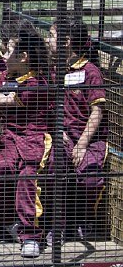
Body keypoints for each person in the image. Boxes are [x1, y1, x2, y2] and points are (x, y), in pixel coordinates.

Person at [0, 19, 52, 259]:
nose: (4, 54)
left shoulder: (36, 83)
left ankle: (31, 234)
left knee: (28, 178)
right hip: (9, 137)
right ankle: (10, 222)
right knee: (0, 169)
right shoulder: (7, 75)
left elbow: (2, 101)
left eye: (9, 51)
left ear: (24, 57)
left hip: (34, 140)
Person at [46, 18, 106, 241]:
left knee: (89, 176)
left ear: (66, 41)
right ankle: (57, 225)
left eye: (51, 35)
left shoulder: (90, 72)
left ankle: (83, 218)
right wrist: (55, 130)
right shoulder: (52, 70)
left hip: (89, 139)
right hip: (62, 136)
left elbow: (97, 111)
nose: (47, 40)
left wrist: (81, 144)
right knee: (54, 165)